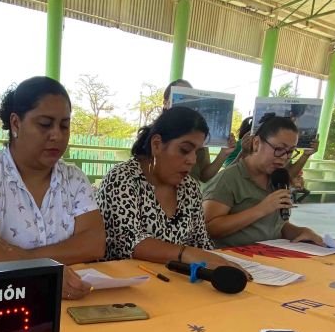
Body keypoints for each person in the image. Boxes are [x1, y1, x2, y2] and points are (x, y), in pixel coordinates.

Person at [0, 76, 105, 301]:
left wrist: (23, 258)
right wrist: (47, 271)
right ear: (16, 124)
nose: (57, 135)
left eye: (64, 125)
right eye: (45, 124)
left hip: (69, 298)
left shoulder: (74, 178)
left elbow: (94, 243)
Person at [95, 107, 248, 276]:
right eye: (185, 150)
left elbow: (201, 243)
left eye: (197, 152)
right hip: (124, 282)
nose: (192, 160)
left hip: (175, 283)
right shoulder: (122, 178)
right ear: (157, 144)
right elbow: (129, 242)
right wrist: (186, 254)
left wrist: (219, 262)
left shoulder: (189, 187)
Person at [203, 116, 324, 247]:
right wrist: (261, 209)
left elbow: (276, 226)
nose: (284, 157)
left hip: (270, 254)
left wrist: (301, 232)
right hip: (231, 257)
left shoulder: (278, 178)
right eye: (279, 149)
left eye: (290, 152)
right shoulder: (228, 179)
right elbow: (208, 228)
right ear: (256, 143)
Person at [162, 79, 235, 183]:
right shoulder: (154, 134)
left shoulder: (198, 135)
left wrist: (223, 154)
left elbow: (204, 176)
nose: (192, 160)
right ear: (165, 103)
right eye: (181, 97)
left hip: (190, 191)